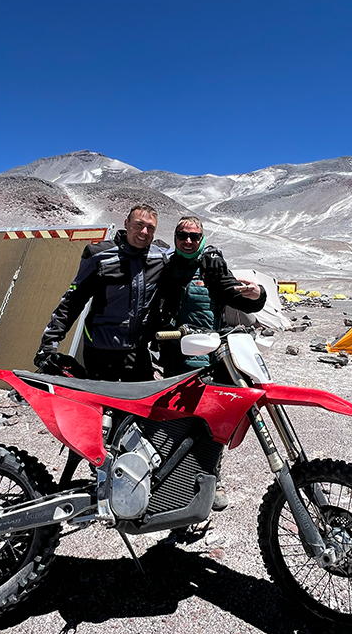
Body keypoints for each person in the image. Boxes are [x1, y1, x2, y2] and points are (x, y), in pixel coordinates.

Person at [156, 216, 267, 510]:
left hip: (205, 362)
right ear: (176, 237)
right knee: (173, 423)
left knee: (207, 426)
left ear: (201, 238)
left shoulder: (212, 268)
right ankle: (173, 485)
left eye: (194, 236)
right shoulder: (165, 268)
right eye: (183, 236)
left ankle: (211, 481)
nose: (188, 241)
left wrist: (258, 295)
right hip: (170, 359)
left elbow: (242, 298)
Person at [34, 203, 170, 382]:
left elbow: (189, 253)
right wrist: (49, 345)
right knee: (100, 406)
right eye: (139, 224)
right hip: (100, 350)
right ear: (126, 223)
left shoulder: (161, 256)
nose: (144, 232)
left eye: (150, 228)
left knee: (137, 407)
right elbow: (73, 301)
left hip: (137, 352)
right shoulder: (100, 255)